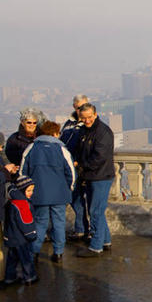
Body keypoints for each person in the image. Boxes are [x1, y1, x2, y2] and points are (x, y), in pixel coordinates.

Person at [20, 121, 75, 264]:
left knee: (40, 223)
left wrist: (26, 190)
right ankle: (58, 253)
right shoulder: (61, 149)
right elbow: (71, 172)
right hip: (59, 193)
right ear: (56, 133)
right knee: (59, 223)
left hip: (38, 193)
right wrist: (69, 187)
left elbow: (22, 172)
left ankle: (35, 252)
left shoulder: (31, 148)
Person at [74, 103, 115, 257]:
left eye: (89, 117)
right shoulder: (84, 130)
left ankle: (96, 246)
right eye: (84, 118)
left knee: (95, 211)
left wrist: (81, 165)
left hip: (101, 176)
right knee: (98, 210)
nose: (87, 120)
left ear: (95, 114)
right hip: (92, 176)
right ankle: (105, 241)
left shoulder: (103, 131)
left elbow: (99, 157)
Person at [61, 95, 90, 241]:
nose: (82, 110)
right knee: (74, 199)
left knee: (81, 199)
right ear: (75, 108)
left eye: (85, 106)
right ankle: (81, 229)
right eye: (79, 107)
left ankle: (83, 229)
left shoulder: (89, 124)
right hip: (67, 166)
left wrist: (79, 161)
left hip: (80, 168)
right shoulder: (68, 123)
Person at [3, 176, 38, 286]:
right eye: (28, 190)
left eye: (32, 190)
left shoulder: (11, 201)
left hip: (11, 236)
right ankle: (30, 277)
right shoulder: (22, 204)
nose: (31, 193)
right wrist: (32, 234)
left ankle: (10, 277)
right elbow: (26, 223)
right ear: (22, 190)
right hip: (21, 238)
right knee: (26, 259)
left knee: (12, 259)